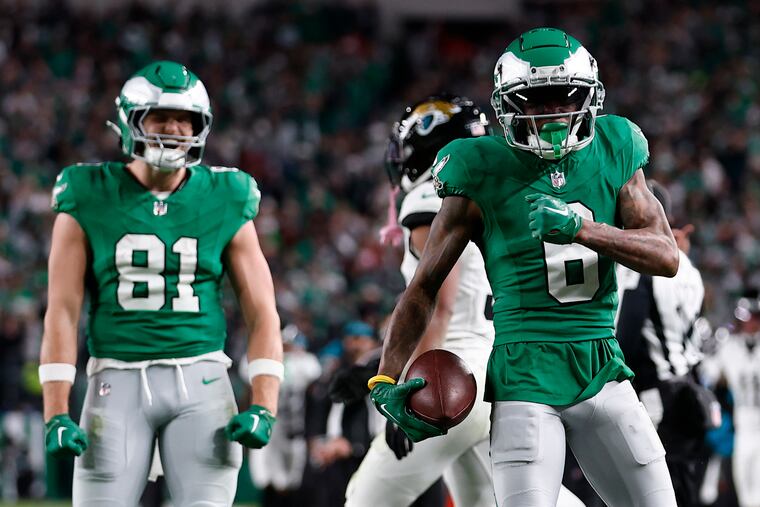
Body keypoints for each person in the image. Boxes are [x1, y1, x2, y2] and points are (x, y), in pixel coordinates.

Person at [367, 27, 681, 507]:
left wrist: (583, 230)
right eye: (534, 100)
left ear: (588, 98)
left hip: (602, 366)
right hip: (522, 374)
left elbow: (666, 255)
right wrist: (385, 376)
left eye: (564, 97)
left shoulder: (616, 145)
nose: (551, 112)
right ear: (507, 105)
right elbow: (424, 287)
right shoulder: (478, 168)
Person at [38, 60, 283, 506]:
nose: (174, 129)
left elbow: (262, 310)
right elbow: (62, 311)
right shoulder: (87, 191)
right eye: (161, 117)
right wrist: (55, 412)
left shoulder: (227, 194)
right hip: (115, 380)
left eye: (185, 119)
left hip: (203, 380)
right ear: (130, 122)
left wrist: (264, 405)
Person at [342, 95, 585, 507]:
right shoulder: (490, 193)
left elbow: (437, 304)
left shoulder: (432, 195)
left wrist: (411, 385)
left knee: (366, 500)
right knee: (496, 499)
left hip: (449, 371)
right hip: (492, 368)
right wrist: (375, 362)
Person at [616, 180, 718, 507]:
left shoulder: (643, 265)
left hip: (656, 397)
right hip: (688, 390)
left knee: (649, 491)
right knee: (683, 490)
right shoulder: (690, 269)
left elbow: (626, 337)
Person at [700, 295, 760, 507]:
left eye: (752, 318)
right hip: (742, 428)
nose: (748, 323)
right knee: (745, 495)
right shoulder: (730, 347)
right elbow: (708, 375)